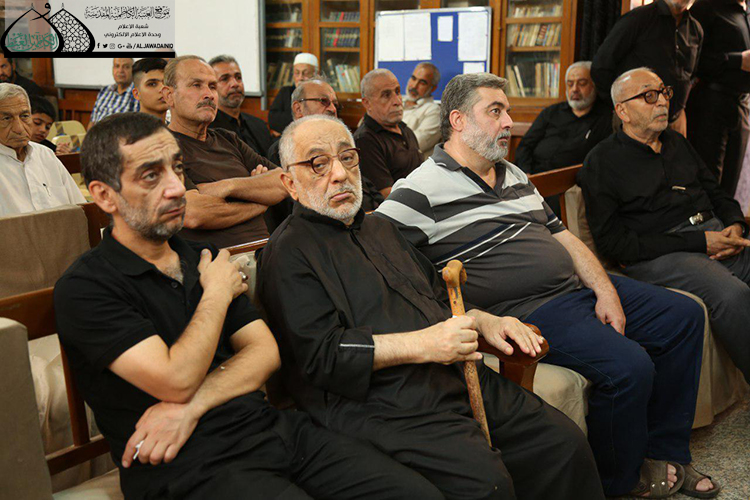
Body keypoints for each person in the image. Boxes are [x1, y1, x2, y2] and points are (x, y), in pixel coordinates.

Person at [54, 111, 446, 500]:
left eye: (178, 168)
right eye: (151, 176)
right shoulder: (88, 286)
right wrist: (215, 294)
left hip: (269, 431)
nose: (176, 188)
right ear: (104, 195)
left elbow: (264, 353)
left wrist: (194, 405)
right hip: (186, 463)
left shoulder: (200, 256)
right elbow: (176, 379)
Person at [375, 72, 716, 498]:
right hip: (527, 310)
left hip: (574, 290)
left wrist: (606, 291)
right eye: (495, 111)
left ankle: (665, 452)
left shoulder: (513, 173)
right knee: (629, 365)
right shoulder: (419, 190)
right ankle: (619, 483)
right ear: (458, 121)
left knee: (684, 315)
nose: (507, 122)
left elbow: (563, 236)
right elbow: (375, 254)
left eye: (507, 111)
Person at [257, 113, 606, 500]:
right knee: (486, 485)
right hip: (381, 403)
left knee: (563, 445)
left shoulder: (380, 228)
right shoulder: (288, 253)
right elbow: (322, 355)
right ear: (289, 182)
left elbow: (439, 298)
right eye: (318, 163)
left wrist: (484, 321)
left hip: (452, 374)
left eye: (347, 157)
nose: (339, 174)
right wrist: (426, 344)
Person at [581, 67, 750, 396]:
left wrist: (735, 223)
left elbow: (716, 192)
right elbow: (615, 244)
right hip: (660, 254)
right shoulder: (601, 162)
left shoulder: (677, 143)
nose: (662, 102)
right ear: (622, 111)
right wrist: (700, 242)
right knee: (732, 295)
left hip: (713, 232)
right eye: (649, 95)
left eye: (663, 92)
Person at [163, 56, 288, 248]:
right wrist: (261, 200)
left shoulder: (228, 139)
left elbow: (285, 180)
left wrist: (227, 187)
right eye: (196, 85)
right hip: (219, 260)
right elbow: (194, 214)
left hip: (267, 251)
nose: (209, 94)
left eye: (212, 86)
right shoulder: (162, 147)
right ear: (169, 95)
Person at [264, 79, 381, 233]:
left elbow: (369, 189)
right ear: (298, 109)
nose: (332, 109)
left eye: (346, 158)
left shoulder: (346, 144)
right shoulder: (284, 151)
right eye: (319, 164)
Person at [591, 0, 701, 136]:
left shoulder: (696, 29)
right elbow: (601, 66)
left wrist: (679, 109)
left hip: (674, 123)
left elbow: (691, 75)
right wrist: (623, 105)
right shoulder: (638, 19)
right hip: (637, 122)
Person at [686, 0, 750, 196]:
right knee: (707, 187)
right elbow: (691, 60)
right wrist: (737, 61)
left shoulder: (745, 10)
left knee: (728, 191)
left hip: (742, 107)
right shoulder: (706, 7)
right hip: (711, 105)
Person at [0, 83, 84, 216]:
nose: (19, 128)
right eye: (6, 118)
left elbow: (80, 207)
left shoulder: (45, 154)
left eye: (24, 116)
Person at [515, 61, 612, 175]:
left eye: (582, 83)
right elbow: (525, 145)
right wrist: (526, 172)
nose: (575, 89)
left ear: (594, 85)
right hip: (531, 175)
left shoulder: (605, 119)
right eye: (570, 84)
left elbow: (600, 162)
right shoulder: (551, 112)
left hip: (567, 181)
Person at [354, 69, 422, 197]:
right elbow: (388, 195)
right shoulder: (365, 140)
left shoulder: (406, 130)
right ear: (367, 103)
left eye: (397, 91)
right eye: (386, 95)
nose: (397, 101)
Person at [208, 55, 274, 158]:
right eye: (225, 79)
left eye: (238, 77)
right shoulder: (208, 130)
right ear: (212, 88)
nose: (235, 84)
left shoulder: (259, 124)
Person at [268, 53, 318, 134]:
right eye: (297, 73)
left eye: (305, 73)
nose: (300, 77)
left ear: (315, 74)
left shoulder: (322, 93)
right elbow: (273, 120)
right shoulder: (285, 92)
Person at [402, 62, 441, 159]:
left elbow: (414, 144)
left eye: (422, 83)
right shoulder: (395, 101)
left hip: (409, 165)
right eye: (413, 78)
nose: (414, 86)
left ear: (433, 88)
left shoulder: (434, 111)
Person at [88, 58, 140, 129]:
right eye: (117, 66)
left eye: (126, 67)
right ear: (113, 69)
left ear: (133, 71)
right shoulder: (105, 91)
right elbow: (92, 122)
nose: (120, 71)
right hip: (96, 134)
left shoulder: (137, 94)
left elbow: (136, 128)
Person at [132, 58, 168, 123]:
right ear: (136, 94)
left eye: (166, 83)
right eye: (152, 84)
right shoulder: (122, 128)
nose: (163, 88)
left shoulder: (179, 128)